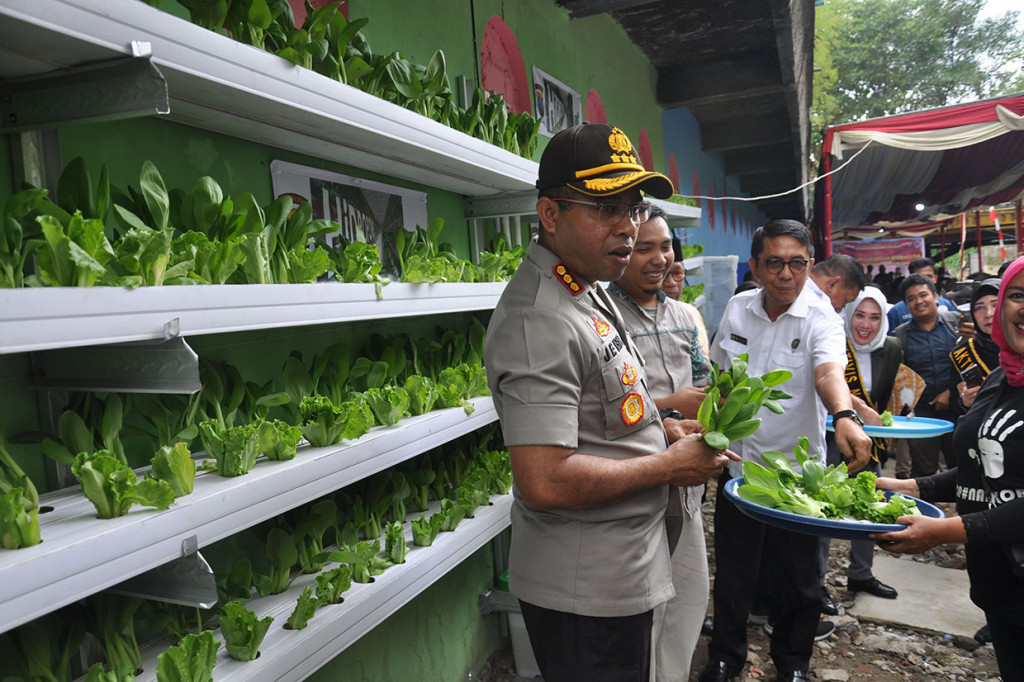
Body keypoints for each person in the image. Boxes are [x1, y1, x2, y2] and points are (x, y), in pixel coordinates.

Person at [484, 122, 736, 682]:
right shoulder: (538, 320)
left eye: (634, 207)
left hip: (619, 572)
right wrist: (667, 466)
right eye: (605, 209)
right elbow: (545, 480)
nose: (628, 228)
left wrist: (661, 430)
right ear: (550, 214)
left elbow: (604, 410)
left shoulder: (588, 286)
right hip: (584, 593)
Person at [699, 220, 873, 682]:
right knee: (736, 571)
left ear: (809, 265)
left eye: (797, 264)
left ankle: (793, 663)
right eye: (774, 263)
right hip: (739, 469)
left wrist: (844, 415)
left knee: (799, 578)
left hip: (797, 475)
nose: (785, 275)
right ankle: (725, 657)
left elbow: (828, 374)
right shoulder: (737, 311)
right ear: (755, 267)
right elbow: (718, 380)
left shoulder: (822, 317)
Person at [872, 257, 1024, 679]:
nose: (1023, 308)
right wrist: (910, 486)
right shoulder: (1001, 379)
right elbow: (984, 466)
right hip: (1000, 586)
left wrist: (943, 531)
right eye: (1016, 295)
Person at [607, 205, 713, 682]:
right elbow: (605, 404)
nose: (658, 258)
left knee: (689, 592)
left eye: (665, 245)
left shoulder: (685, 316)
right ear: (622, 251)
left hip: (687, 483)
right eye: (643, 247)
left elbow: (707, 385)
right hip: (633, 483)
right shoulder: (605, 317)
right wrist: (672, 403)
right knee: (639, 606)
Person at [818, 287, 903, 601]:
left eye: (875, 317)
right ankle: (817, 582)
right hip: (831, 437)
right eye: (859, 315)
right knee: (824, 508)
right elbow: (824, 380)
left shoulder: (892, 348)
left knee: (870, 505)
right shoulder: (831, 341)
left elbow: (891, 393)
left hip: (869, 440)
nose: (865, 324)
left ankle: (861, 575)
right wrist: (855, 409)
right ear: (848, 314)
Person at [893, 273, 960, 478]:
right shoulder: (900, 335)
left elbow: (969, 363)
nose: (918, 302)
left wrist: (951, 392)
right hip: (921, 414)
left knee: (962, 464)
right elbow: (899, 377)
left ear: (936, 296)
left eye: (923, 295)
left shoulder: (955, 324)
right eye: (911, 299)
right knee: (924, 470)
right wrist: (906, 409)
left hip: (957, 408)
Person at [951, 278, 1001, 413]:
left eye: (995, 305)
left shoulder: (1019, 346)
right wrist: (966, 403)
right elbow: (953, 407)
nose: (988, 314)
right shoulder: (963, 354)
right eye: (979, 307)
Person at [886, 257, 958, 332]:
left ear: (935, 278)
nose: (925, 281)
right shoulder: (896, 311)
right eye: (920, 277)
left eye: (929, 277)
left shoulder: (947, 304)